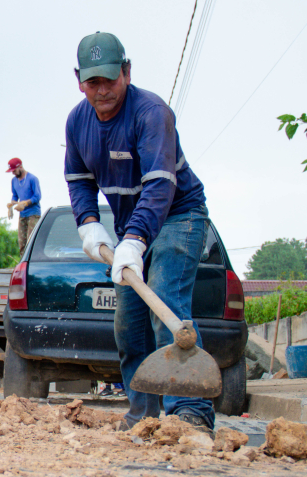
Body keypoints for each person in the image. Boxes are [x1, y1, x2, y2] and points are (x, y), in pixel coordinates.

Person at [65, 32, 213, 435]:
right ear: (79, 80)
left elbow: (161, 186)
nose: (102, 90)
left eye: (109, 80)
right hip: (135, 225)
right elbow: (78, 180)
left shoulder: (152, 113)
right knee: (128, 326)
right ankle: (144, 416)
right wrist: (88, 222)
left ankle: (190, 414)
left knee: (166, 300)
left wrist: (135, 241)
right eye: (92, 82)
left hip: (179, 216)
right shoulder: (78, 121)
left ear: (126, 72)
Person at [6, 157, 42, 255]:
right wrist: (11, 206)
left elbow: (37, 196)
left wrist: (25, 203)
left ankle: (32, 262)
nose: (13, 173)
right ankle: (23, 263)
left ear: (20, 167)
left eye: (14, 170)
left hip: (33, 214)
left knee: (31, 242)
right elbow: (15, 195)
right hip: (22, 215)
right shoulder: (14, 181)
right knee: (22, 243)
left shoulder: (32, 179)